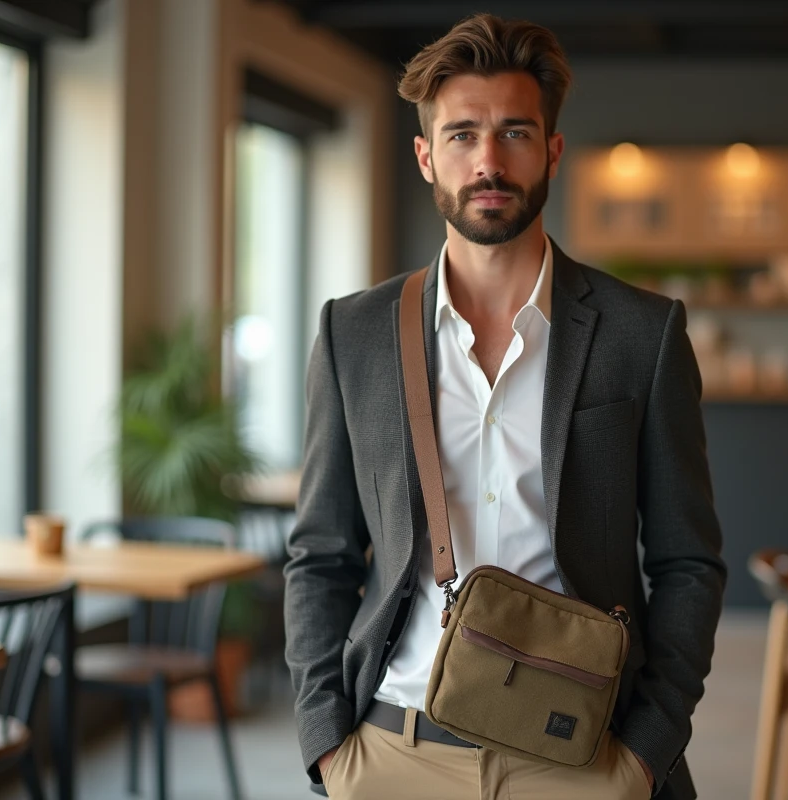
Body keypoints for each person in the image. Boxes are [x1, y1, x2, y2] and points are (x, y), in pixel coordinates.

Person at [284, 14, 726, 800]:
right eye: (461, 135)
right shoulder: (352, 334)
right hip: (397, 749)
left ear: (552, 150)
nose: (488, 160)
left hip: (584, 756)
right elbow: (320, 554)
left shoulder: (642, 335)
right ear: (425, 156)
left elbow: (687, 563)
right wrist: (328, 745)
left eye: (515, 132)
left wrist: (644, 754)